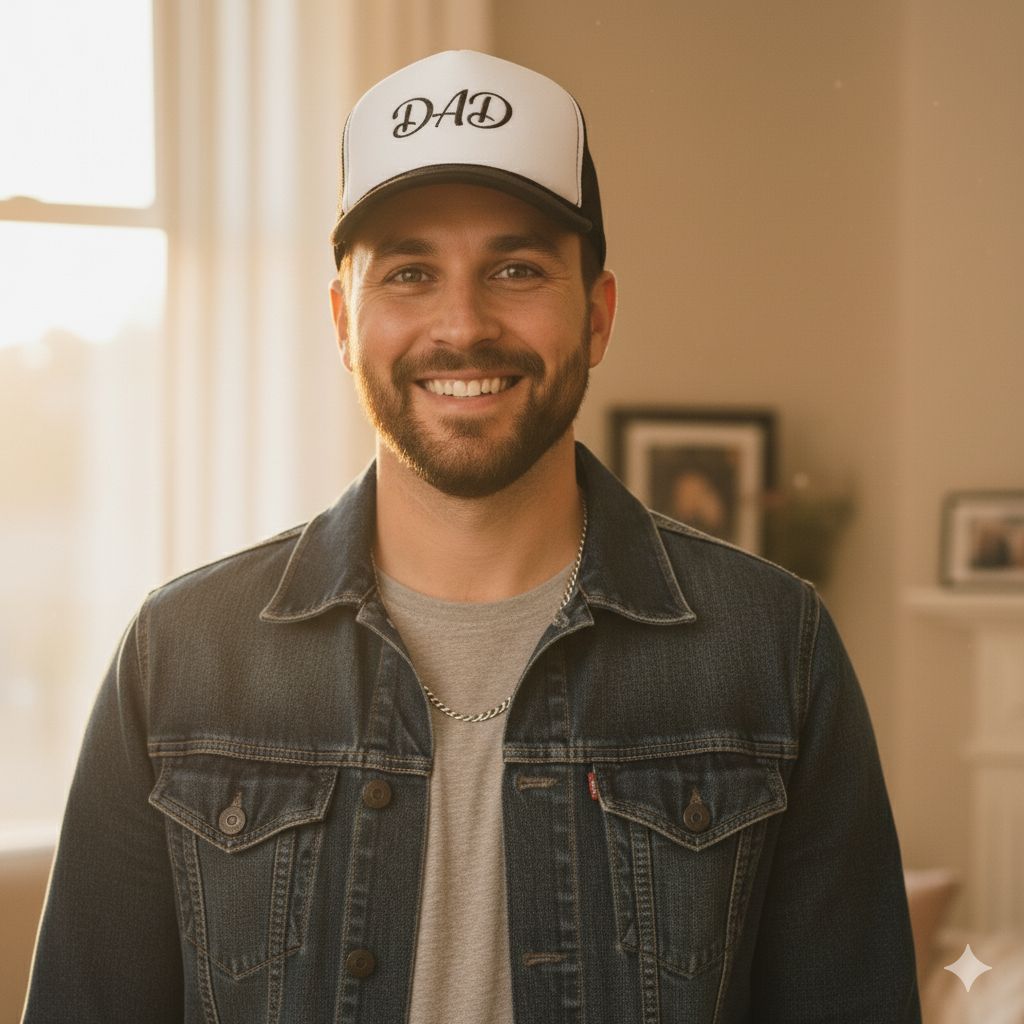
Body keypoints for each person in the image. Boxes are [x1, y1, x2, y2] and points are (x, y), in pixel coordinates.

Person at [23, 50, 920, 1023]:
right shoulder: (180, 654)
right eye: (409, 271)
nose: (462, 322)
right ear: (341, 318)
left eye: (516, 267)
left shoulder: (769, 647)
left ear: (597, 313)